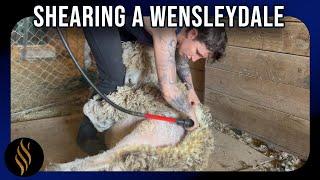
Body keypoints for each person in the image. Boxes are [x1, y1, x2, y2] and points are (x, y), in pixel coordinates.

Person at [76, 17, 227, 155]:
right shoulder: (167, 29)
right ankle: (86, 135)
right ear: (193, 33)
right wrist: (191, 116)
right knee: (113, 78)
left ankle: (107, 125)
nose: (194, 59)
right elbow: (168, 90)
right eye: (197, 52)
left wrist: (191, 91)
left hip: (125, 23)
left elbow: (180, 62)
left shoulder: (181, 32)